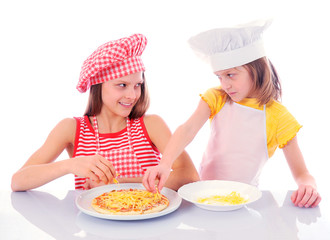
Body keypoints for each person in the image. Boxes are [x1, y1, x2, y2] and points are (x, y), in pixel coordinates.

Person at [143, 20, 321, 208]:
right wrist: (165, 163)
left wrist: (308, 186)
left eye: (230, 75)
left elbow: (302, 174)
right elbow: (187, 129)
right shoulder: (216, 98)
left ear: (256, 69)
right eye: (219, 76)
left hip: (244, 202)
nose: (224, 84)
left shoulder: (278, 117)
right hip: (205, 197)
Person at [11, 33, 199, 191]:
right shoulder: (72, 128)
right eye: (122, 85)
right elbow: (18, 181)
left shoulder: (151, 125)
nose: (132, 95)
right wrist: (70, 165)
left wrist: (119, 184)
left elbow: (190, 176)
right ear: (99, 86)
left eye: (137, 85)